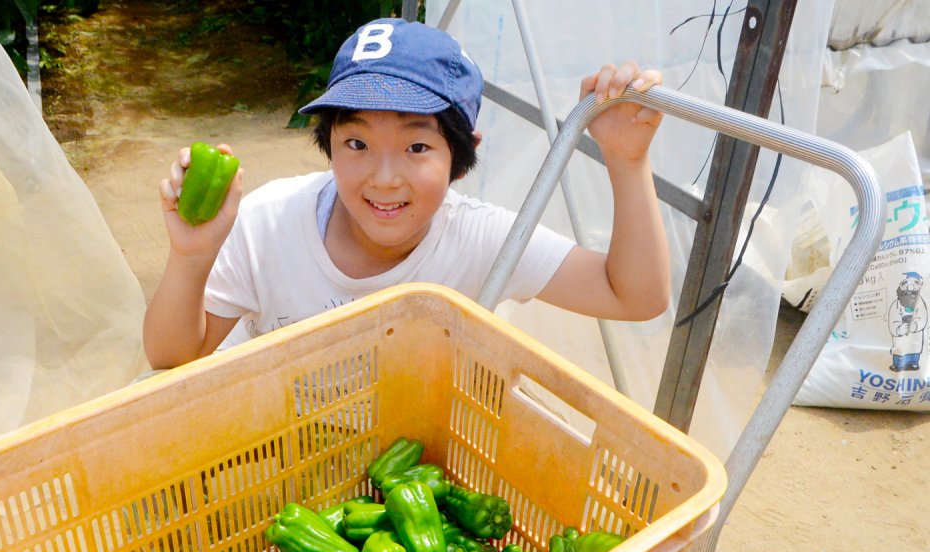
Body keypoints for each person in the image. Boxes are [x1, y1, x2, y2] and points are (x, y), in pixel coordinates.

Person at [143, 18, 668, 370]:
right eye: (357, 142)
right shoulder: (268, 223)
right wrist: (192, 256)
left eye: (417, 146)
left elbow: (635, 296)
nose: (385, 177)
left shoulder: (483, 239)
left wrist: (626, 160)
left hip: (400, 467)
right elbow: (173, 359)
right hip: (276, 436)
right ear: (327, 142)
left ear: (461, 157)